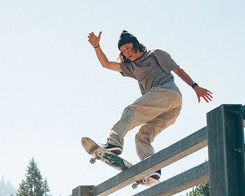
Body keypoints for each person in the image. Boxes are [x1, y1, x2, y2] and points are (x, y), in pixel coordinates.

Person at [88, 30, 213, 180]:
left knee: (130, 111)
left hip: (167, 93)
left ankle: (114, 141)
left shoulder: (155, 54)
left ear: (135, 44)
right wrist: (97, 46)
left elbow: (177, 70)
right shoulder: (131, 67)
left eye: (128, 47)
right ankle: (152, 168)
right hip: (169, 110)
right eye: (123, 51)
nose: (126, 53)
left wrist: (195, 86)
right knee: (142, 136)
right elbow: (106, 64)